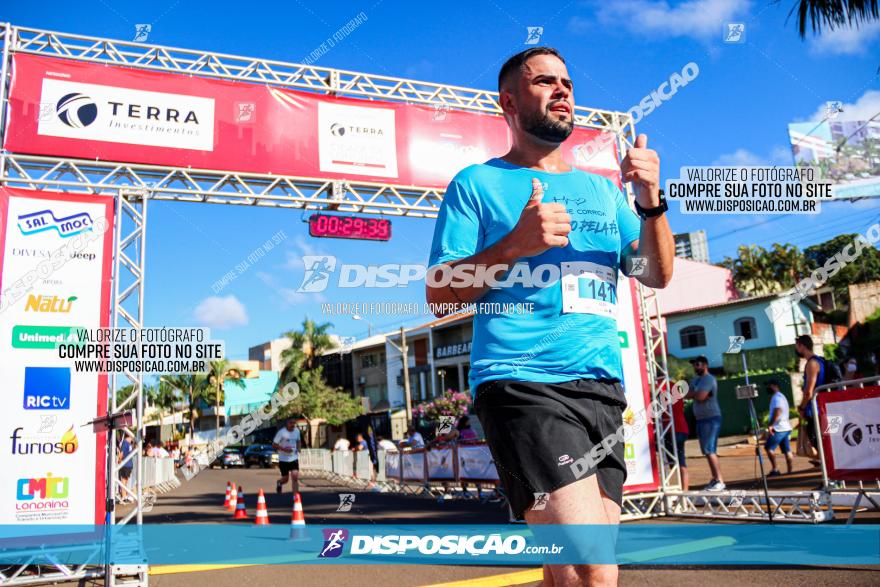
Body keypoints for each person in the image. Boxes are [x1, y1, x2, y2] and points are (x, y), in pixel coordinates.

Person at [425, 46, 673, 586]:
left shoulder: (604, 192)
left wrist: (651, 203)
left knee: (566, 573)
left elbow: (654, 273)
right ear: (509, 101)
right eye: (545, 82)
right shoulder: (477, 184)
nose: (562, 90)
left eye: (568, 82)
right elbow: (440, 294)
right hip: (523, 386)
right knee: (593, 572)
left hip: (602, 391)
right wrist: (514, 245)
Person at [686, 356, 724, 491]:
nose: (695, 367)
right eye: (694, 365)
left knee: (710, 450)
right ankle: (715, 479)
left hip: (711, 418)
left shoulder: (709, 379)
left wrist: (696, 394)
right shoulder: (696, 380)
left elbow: (701, 397)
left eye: (698, 364)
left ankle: (719, 481)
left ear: (705, 365)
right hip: (701, 419)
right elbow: (688, 394)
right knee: (707, 451)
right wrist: (696, 394)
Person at [795, 335, 824, 465]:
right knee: (822, 445)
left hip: (815, 411)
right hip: (820, 408)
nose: (796, 349)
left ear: (802, 346)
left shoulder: (812, 363)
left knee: (820, 446)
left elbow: (808, 392)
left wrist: (801, 408)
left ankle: (832, 479)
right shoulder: (819, 361)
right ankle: (830, 479)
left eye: (797, 346)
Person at [764, 379, 793, 476]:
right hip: (786, 427)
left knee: (768, 448)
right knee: (787, 450)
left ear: (774, 385)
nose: (767, 387)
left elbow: (778, 410)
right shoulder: (781, 396)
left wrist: (771, 424)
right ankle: (790, 472)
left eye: (768, 385)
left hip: (779, 428)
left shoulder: (777, 397)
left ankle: (775, 469)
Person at [662, 391, 689, 490]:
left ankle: (681, 491)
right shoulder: (673, 386)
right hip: (680, 428)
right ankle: (684, 491)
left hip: (671, 430)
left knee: (673, 463)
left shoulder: (660, 386)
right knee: (679, 462)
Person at [273, 418, 302, 495]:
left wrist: (299, 448)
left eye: (294, 423)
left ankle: (295, 497)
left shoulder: (297, 431)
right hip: (283, 459)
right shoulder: (281, 432)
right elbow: (274, 444)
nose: (293, 424)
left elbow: (298, 440)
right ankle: (279, 483)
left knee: (295, 477)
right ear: (287, 424)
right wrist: (283, 449)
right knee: (285, 479)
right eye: (291, 423)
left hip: (293, 458)